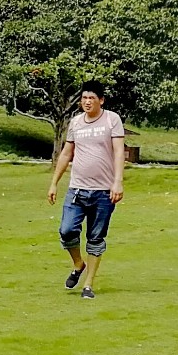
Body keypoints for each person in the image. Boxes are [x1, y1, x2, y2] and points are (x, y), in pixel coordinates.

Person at [47, 82, 125, 299]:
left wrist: (117, 182)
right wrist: (54, 182)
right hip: (77, 190)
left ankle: (88, 284)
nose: (87, 102)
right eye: (84, 98)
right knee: (66, 230)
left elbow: (119, 152)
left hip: (103, 192)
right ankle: (78, 264)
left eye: (91, 98)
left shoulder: (112, 120)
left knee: (95, 237)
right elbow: (65, 154)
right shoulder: (76, 123)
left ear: (101, 100)